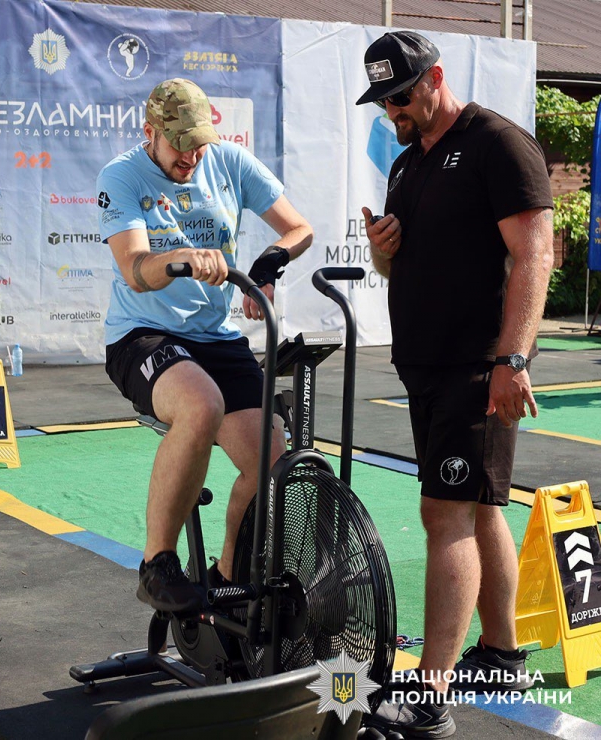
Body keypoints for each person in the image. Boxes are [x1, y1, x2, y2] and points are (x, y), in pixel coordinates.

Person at [356, 31, 554, 737]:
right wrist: (386, 256)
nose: (393, 110)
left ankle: (431, 693)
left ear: (435, 77)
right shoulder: (408, 165)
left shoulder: (498, 143)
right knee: (479, 507)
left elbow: (534, 255)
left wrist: (513, 360)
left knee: (445, 516)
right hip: (425, 365)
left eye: (402, 95)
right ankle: (499, 653)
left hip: (479, 365)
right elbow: (403, 272)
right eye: (383, 101)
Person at [98, 78, 314, 613]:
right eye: (179, 146)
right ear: (150, 133)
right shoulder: (121, 176)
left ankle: (224, 576)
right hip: (142, 336)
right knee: (201, 404)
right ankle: (156, 564)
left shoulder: (228, 161)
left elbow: (299, 228)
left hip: (215, 338)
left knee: (273, 459)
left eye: (200, 143)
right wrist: (181, 260)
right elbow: (133, 270)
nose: (192, 157)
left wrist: (269, 263)